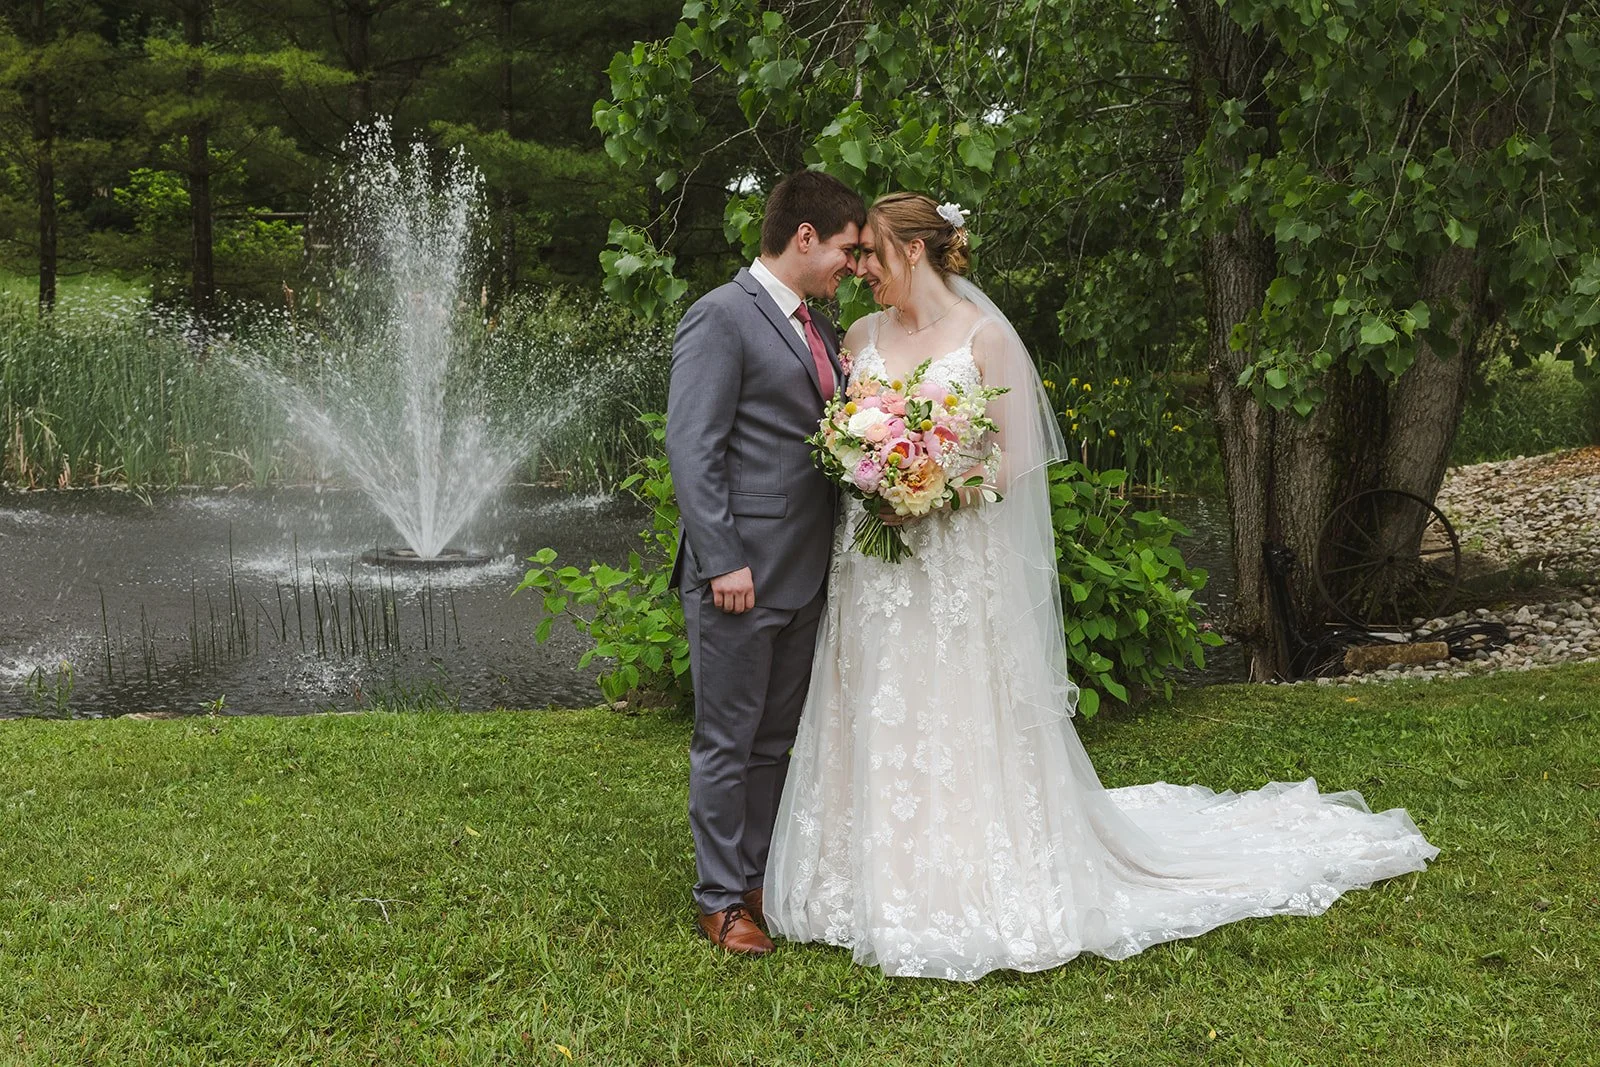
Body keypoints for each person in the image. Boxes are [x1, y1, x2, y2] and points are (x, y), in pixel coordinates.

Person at [765, 192, 1439, 980]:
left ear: (913, 251)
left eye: (873, 254)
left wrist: (932, 485)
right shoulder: (859, 336)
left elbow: (1013, 466)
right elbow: (846, 435)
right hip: (875, 571)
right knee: (877, 700)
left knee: (954, 705)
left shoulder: (988, 340)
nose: (861, 271)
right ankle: (857, 877)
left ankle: (963, 879)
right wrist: (872, 471)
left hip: (953, 563)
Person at [665, 170, 865, 956]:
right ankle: (718, 899)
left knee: (774, 738)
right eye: (847, 249)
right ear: (805, 236)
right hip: (739, 576)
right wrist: (722, 560)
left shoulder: (814, 325)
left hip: (805, 571)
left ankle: (753, 877)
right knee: (728, 737)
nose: (853, 264)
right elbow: (693, 446)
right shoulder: (721, 316)